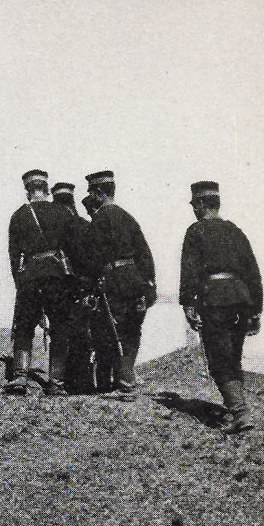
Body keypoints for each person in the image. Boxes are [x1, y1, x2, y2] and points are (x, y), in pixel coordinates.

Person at [179, 181, 262, 433]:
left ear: (202, 204)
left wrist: (188, 304)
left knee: (218, 358)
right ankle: (237, 407)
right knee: (233, 357)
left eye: (195, 204)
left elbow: (189, 271)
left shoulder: (195, 232)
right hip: (240, 299)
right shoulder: (236, 231)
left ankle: (240, 412)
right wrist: (256, 308)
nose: (194, 209)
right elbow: (253, 272)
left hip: (214, 299)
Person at [6, 170, 83, 395]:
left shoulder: (19, 215)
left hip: (29, 276)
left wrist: (18, 281)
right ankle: (56, 382)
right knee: (59, 327)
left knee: (24, 326)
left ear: (27, 191)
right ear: (47, 189)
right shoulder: (62, 212)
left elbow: (13, 256)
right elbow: (74, 249)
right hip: (57, 276)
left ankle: (20, 377)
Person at [80, 170, 155, 398]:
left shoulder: (100, 219)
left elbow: (91, 258)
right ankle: (126, 377)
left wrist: (89, 287)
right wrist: (148, 285)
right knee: (133, 330)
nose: (91, 196)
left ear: (100, 192)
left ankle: (123, 383)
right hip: (135, 280)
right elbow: (145, 254)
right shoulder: (128, 217)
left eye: (92, 192)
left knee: (111, 330)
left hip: (114, 282)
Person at [52, 182, 94, 394]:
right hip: (85, 286)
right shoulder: (84, 224)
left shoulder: (54, 227)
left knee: (62, 332)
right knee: (82, 334)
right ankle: (83, 381)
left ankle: (66, 380)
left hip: (64, 287)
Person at [81, 193, 117, 392]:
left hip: (103, 290)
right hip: (103, 290)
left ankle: (105, 383)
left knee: (104, 337)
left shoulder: (98, 229)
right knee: (104, 338)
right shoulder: (97, 227)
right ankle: (105, 383)